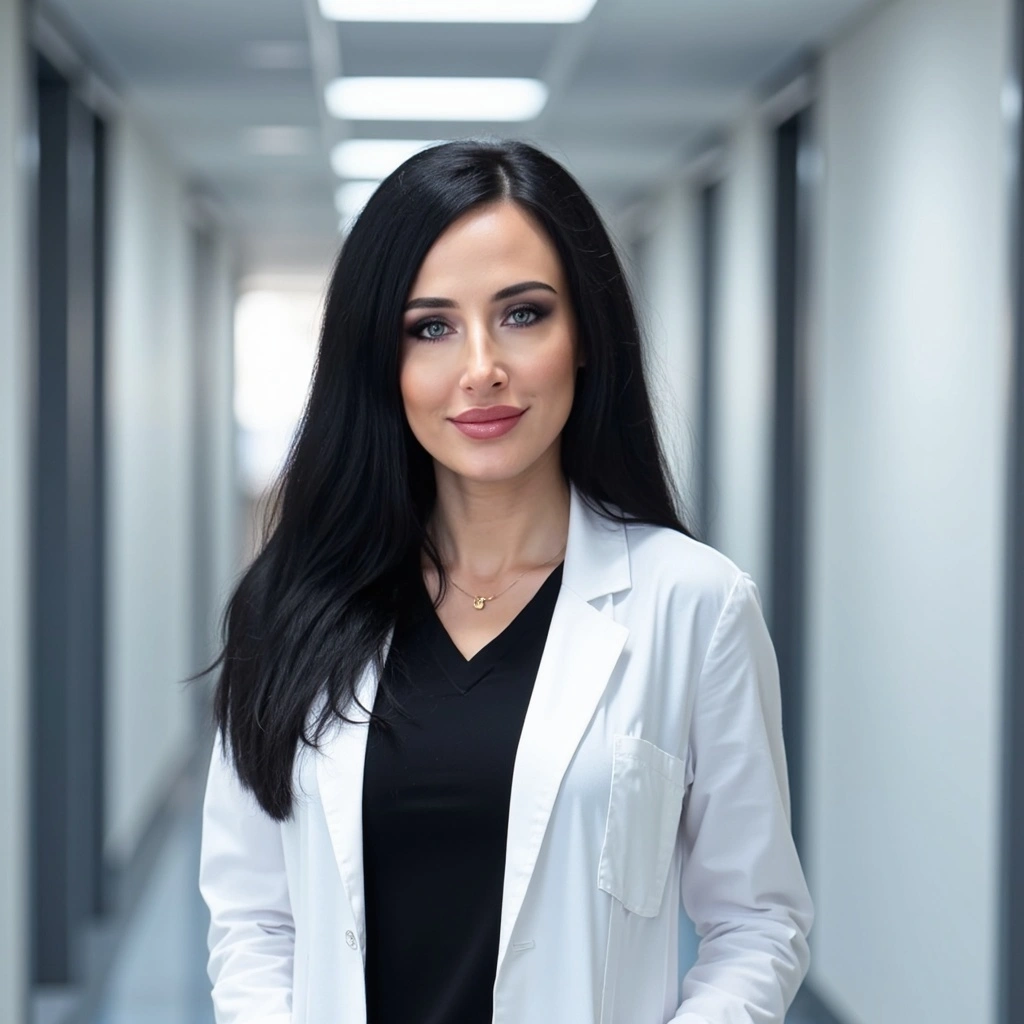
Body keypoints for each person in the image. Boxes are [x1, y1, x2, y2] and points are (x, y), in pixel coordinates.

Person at [197, 137, 814, 1024]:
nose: (480, 366)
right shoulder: (290, 607)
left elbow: (758, 920)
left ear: (585, 338)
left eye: (523, 314)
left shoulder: (693, 604)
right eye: (431, 327)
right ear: (385, 362)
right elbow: (253, 921)